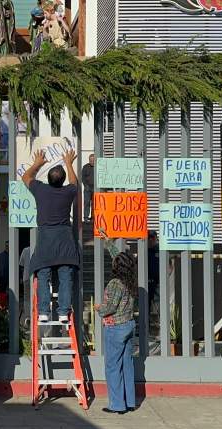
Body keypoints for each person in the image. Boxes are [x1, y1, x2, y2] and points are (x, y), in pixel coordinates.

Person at [22, 148, 80, 324]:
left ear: (48, 179)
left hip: (46, 239)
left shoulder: (41, 190)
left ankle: (44, 312)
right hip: (64, 239)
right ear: (62, 181)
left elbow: (26, 177)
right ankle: (63, 312)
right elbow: (75, 183)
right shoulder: (68, 192)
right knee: (65, 277)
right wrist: (69, 163)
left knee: (44, 275)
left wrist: (37, 163)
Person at [96, 236, 137, 415]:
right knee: (127, 364)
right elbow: (118, 257)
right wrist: (109, 243)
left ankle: (117, 405)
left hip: (115, 327)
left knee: (112, 366)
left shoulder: (114, 283)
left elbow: (109, 308)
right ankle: (129, 402)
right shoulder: (131, 282)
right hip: (129, 324)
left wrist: (99, 309)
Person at [18, 245, 33, 328]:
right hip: (37, 278)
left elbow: (21, 265)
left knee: (27, 298)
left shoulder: (25, 250)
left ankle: (27, 317)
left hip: (26, 277)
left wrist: (21, 277)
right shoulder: (40, 247)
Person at [82, 154, 95, 222]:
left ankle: (93, 217)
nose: (92, 162)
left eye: (93, 160)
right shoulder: (85, 167)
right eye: (90, 160)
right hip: (87, 187)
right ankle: (86, 217)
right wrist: (85, 185)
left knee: (94, 203)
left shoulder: (99, 166)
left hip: (95, 188)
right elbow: (83, 177)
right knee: (86, 202)